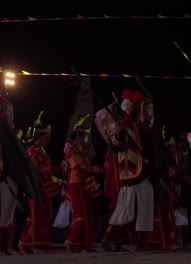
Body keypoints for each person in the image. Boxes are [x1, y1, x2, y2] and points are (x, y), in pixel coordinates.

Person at [108, 89, 156, 251]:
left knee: (146, 204)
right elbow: (114, 146)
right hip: (129, 172)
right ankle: (132, 241)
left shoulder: (144, 128)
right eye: (146, 111)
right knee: (130, 208)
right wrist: (119, 132)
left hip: (145, 172)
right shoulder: (121, 126)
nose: (149, 114)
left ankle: (142, 239)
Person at [18, 111, 59, 254]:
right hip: (36, 188)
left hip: (43, 188)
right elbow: (33, 169)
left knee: (36, 216)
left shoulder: (41, 150)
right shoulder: (34, 150)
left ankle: (25, 243)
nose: (48, 140)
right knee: (37, 216)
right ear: (39, 136)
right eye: (46, 137)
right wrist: (49, 169)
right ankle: (35, 245)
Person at [63, 114, 102, 253]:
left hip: (83, 184)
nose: (86, 140)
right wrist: (93, 168)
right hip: (76, 183)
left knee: (88, 214)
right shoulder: (71, 150)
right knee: (81, 213)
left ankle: (85, 244)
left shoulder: (79, 150)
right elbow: (79, 166)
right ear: (77, 136)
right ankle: (72, 241)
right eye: (83, 136)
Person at [0, 95, 20, 255]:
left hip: (10, 176)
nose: (10, 116)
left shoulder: (15, 134)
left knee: (10, 212)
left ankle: (9, 246)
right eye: (7, 112)